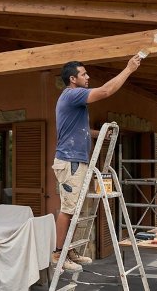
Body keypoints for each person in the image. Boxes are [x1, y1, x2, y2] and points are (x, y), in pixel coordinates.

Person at [52, 55, 142, 271]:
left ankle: (69, 250)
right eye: (84, 74)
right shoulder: (73, 95)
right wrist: (128, 69)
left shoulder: (75, 103)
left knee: (75, 209)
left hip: (77, 161)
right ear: (73, 79)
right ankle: (57, 254)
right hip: (70, 161)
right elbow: (105, 91)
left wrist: (99, 133)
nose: (88, 76)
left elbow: (79, 131)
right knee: (68, 209)